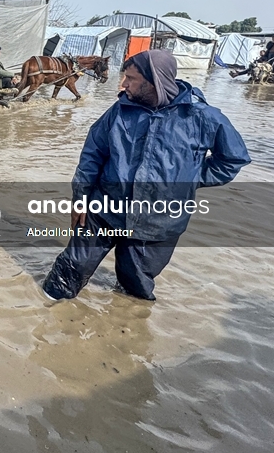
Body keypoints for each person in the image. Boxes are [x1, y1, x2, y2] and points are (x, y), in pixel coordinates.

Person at [41, 49, 251, 302]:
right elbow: (92, 154)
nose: (123, 84)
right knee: (66, 275)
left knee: (134, 292)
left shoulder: (203, 117)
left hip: (158, 220)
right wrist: (81, 197)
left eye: (130, 78)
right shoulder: (120, 109)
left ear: (155, 81)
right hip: (104, 210)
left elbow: (232, 159)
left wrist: (188, 178)